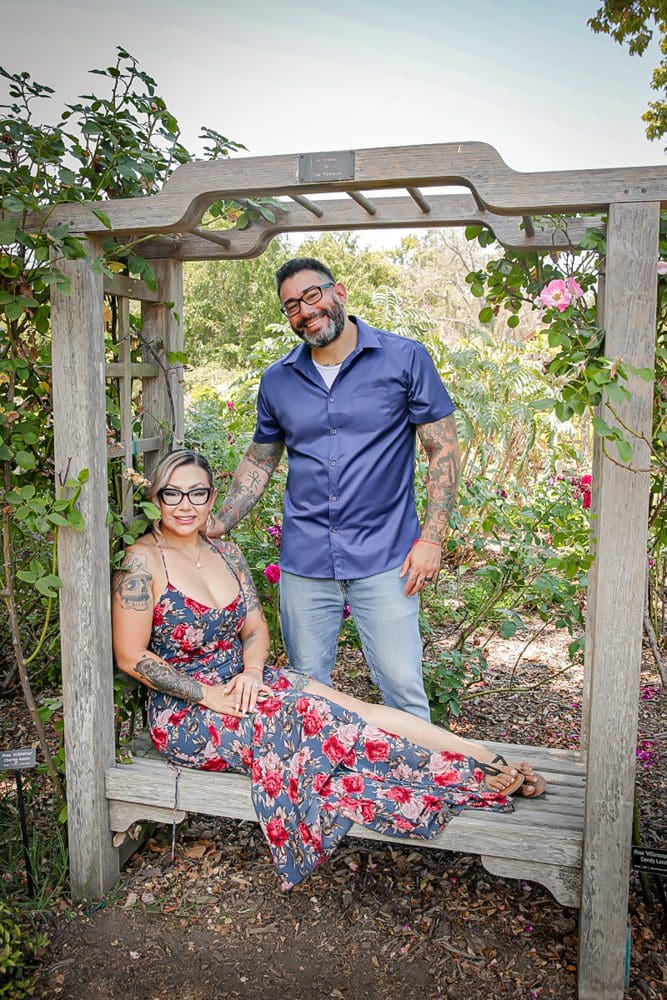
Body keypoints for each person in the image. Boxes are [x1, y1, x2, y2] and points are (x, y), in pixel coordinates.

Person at [112, 449, 546, 891]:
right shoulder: (143, 561)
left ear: (212, 497)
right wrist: (210, 695)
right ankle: (473, 778)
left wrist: (252, 672)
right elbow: (131, 656)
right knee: (316, 719)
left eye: (197, 493)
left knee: (356, 708)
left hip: (246, 682)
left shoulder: (226, 552)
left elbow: (256, 630)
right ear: (156, 498)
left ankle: (486, 757)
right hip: (191, 711)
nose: (185, 505)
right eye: (173, 493)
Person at [211, 257, 459, 721]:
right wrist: (219, 522)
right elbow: (261, 459)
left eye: (312, 295)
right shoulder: (277, 379)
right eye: (291, 306)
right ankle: (327, 788)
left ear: (338, 292)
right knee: (307, 692)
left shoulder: (404, 358)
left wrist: (432, 539)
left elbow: (442, 450)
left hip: (388, 557)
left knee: (403, 689)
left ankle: (429, 786)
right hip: (305, 561)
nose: (305, 311)